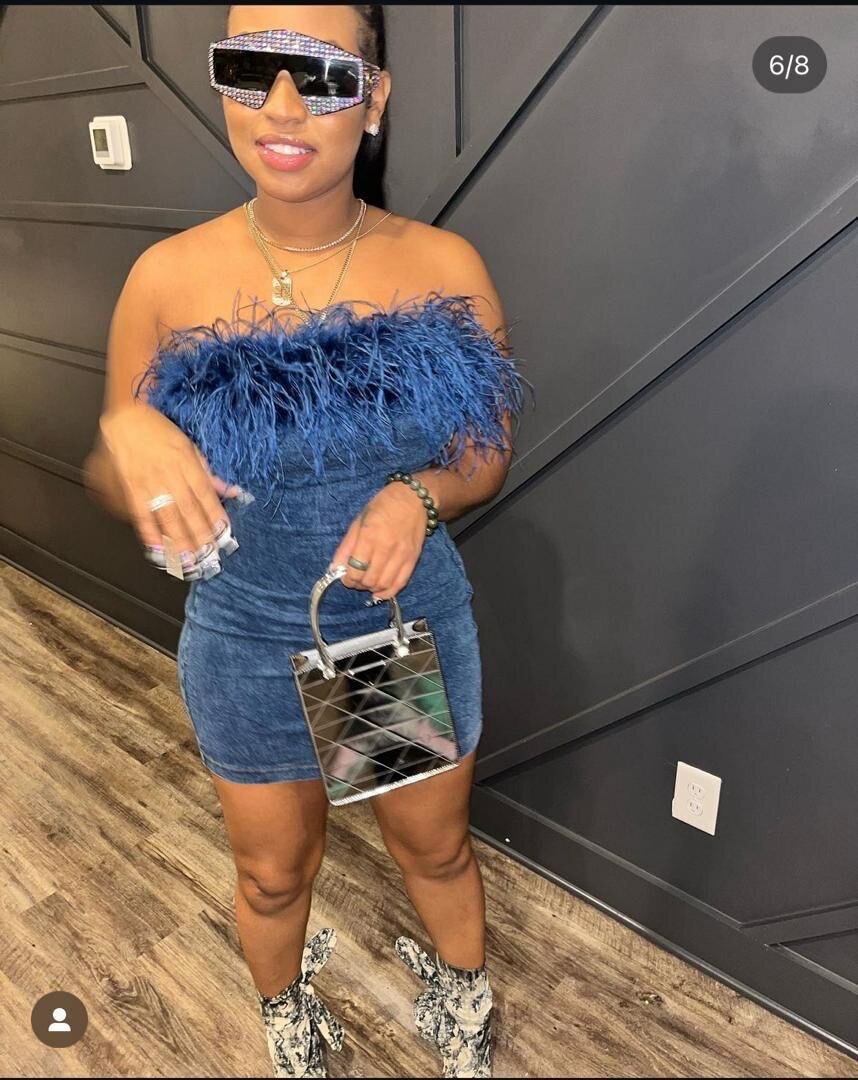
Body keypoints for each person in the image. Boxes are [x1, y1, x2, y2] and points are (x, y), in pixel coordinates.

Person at [84, 5, 533, 1078]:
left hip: (385, 630)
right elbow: (124, 479)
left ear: (373, 101)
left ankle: (463, 998)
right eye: (251, 68)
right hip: (242, 636)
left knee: (431, 849)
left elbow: (486, 458)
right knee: (272, 873)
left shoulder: (440, 265)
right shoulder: (165, 279)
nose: (282, 105)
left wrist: (417, 495)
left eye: (323, 74)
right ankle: (285, 1009)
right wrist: (125, 434)